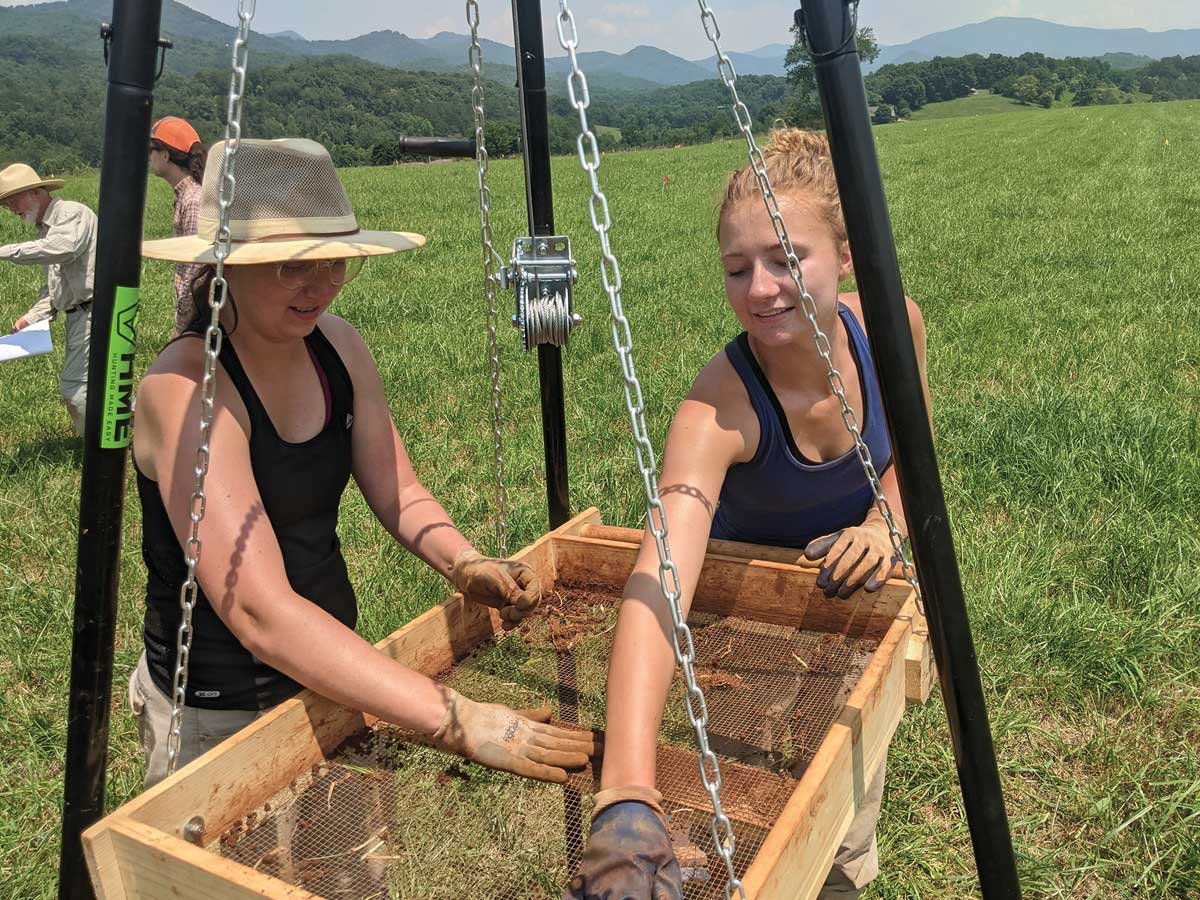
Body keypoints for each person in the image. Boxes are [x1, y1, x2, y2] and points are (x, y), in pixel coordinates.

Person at [131, 137, 596, 789]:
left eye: (336, 260)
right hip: (222, 715)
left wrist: (463, 562)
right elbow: (260, 612)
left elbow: (398, 488)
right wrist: (456, 719)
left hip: (331, 671)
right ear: (227, 263)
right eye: (293, 264)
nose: (321, 284)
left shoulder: (337, 347)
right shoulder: (186, 391)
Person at [566, 129, 931, 900]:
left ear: (845, 257)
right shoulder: (717, 410)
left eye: (786, 259)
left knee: (840, 805)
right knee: (743, 825)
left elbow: (915, 461)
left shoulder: (895, 325)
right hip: (741, 647)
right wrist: (626, 792)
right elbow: (660, 575)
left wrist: (881, 526)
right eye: (738, 269)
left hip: (845, 629)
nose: (760, 289)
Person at [0, 163, 97, 435]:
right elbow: (54, 290)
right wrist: (30, 319)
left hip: (96, 311)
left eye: (12, 200)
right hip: (79, 315)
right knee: (97, 387)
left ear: (35, 192)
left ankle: (98, 450)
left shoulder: (71, 213)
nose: (10, 208)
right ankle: (141, 427)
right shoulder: (44, 231)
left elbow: (62, 249)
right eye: (5, 204)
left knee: (76, 389)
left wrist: (3, 252)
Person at [148, 116, 207, 335]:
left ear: (165, 154)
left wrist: (182, 327)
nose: (148, 157)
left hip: (198, 318)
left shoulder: (192, 201)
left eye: (150, 149)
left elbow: (195, 272)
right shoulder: (186, 196)